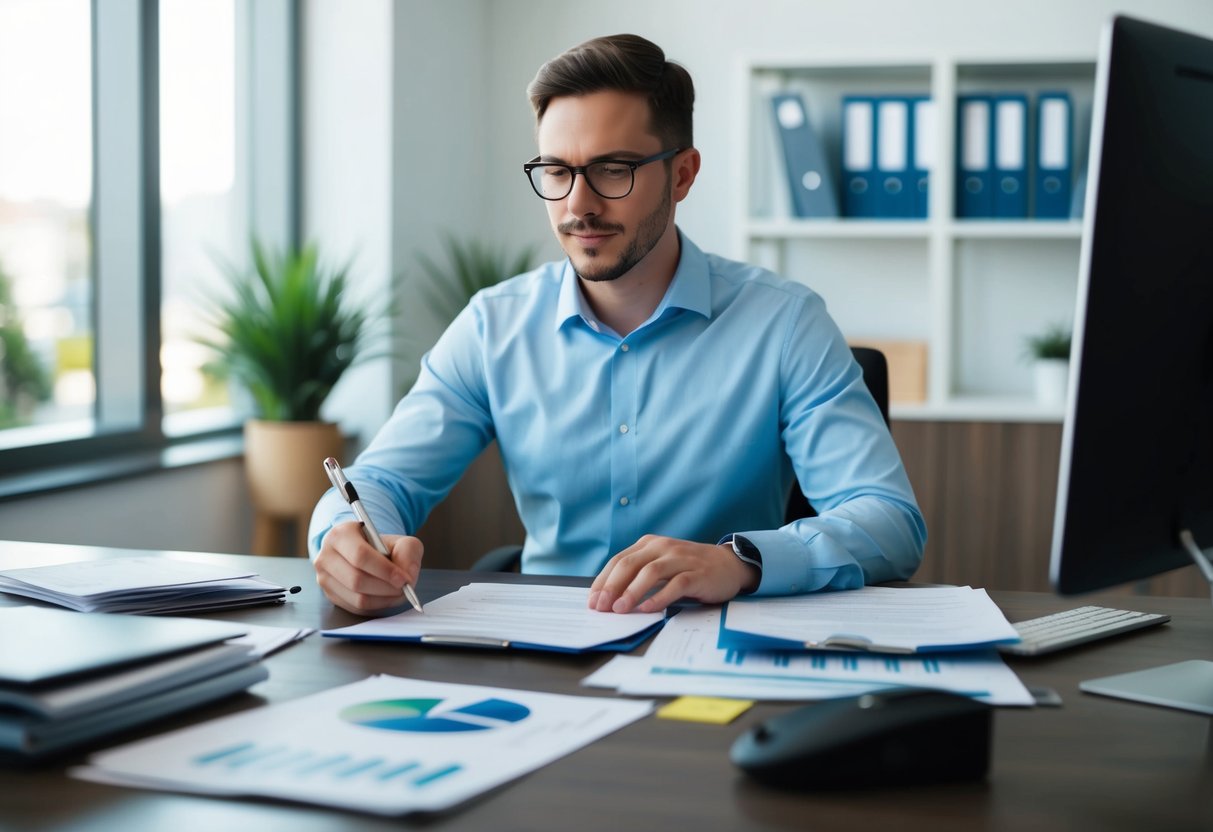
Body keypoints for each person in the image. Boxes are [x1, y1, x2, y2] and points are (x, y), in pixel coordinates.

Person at [309, 33, 926, 616]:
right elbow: (382, 479)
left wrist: (737, 561)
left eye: (613, 169)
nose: (578, 204)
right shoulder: (494, 326)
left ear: (681, 174)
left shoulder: (785, 323)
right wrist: (346, 538)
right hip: (544, 648)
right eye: (556, 171)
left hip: (715, 652)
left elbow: (888, 519)